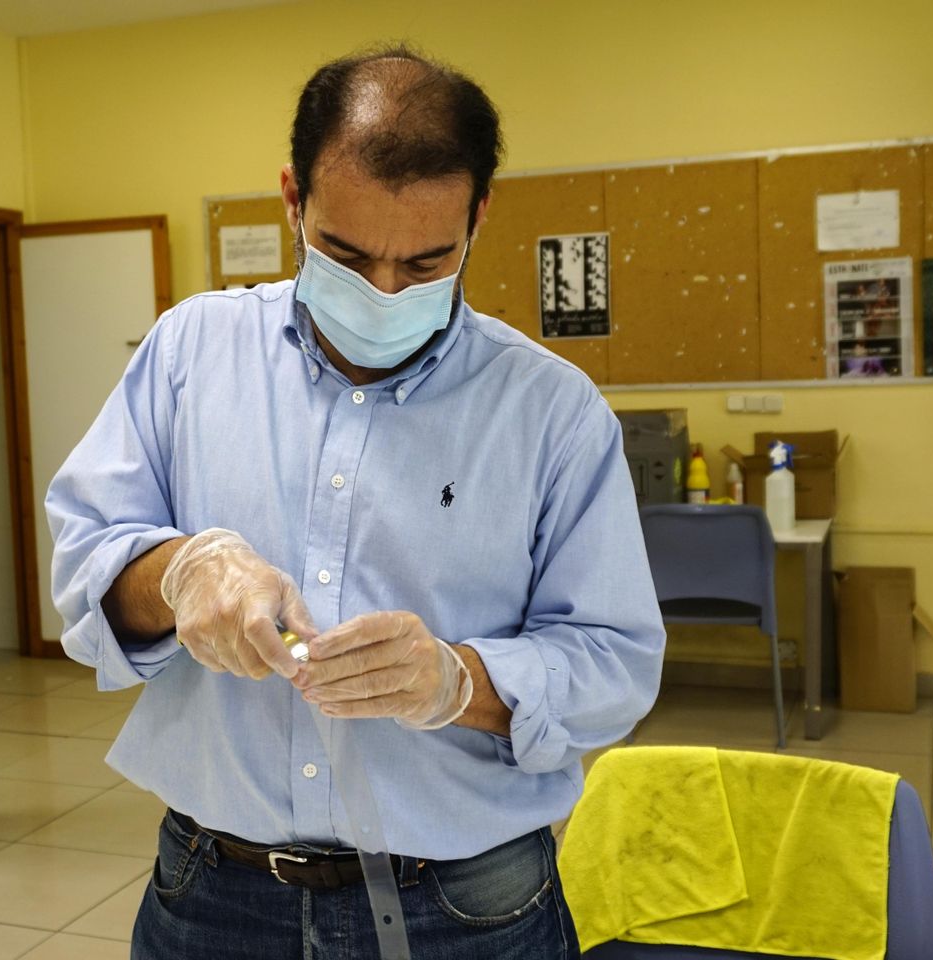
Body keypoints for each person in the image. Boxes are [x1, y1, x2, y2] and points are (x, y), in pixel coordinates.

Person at [46, 44, 665, 960]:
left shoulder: (550, 410)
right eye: (345, 252)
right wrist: (180, 573)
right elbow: (85, 565)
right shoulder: (190, 351)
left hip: (465, 904)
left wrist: (461, 682)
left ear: (478, 217)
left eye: (426, 261)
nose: (382, 293)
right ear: (293, 199)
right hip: (214, 891)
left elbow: (615, 661)